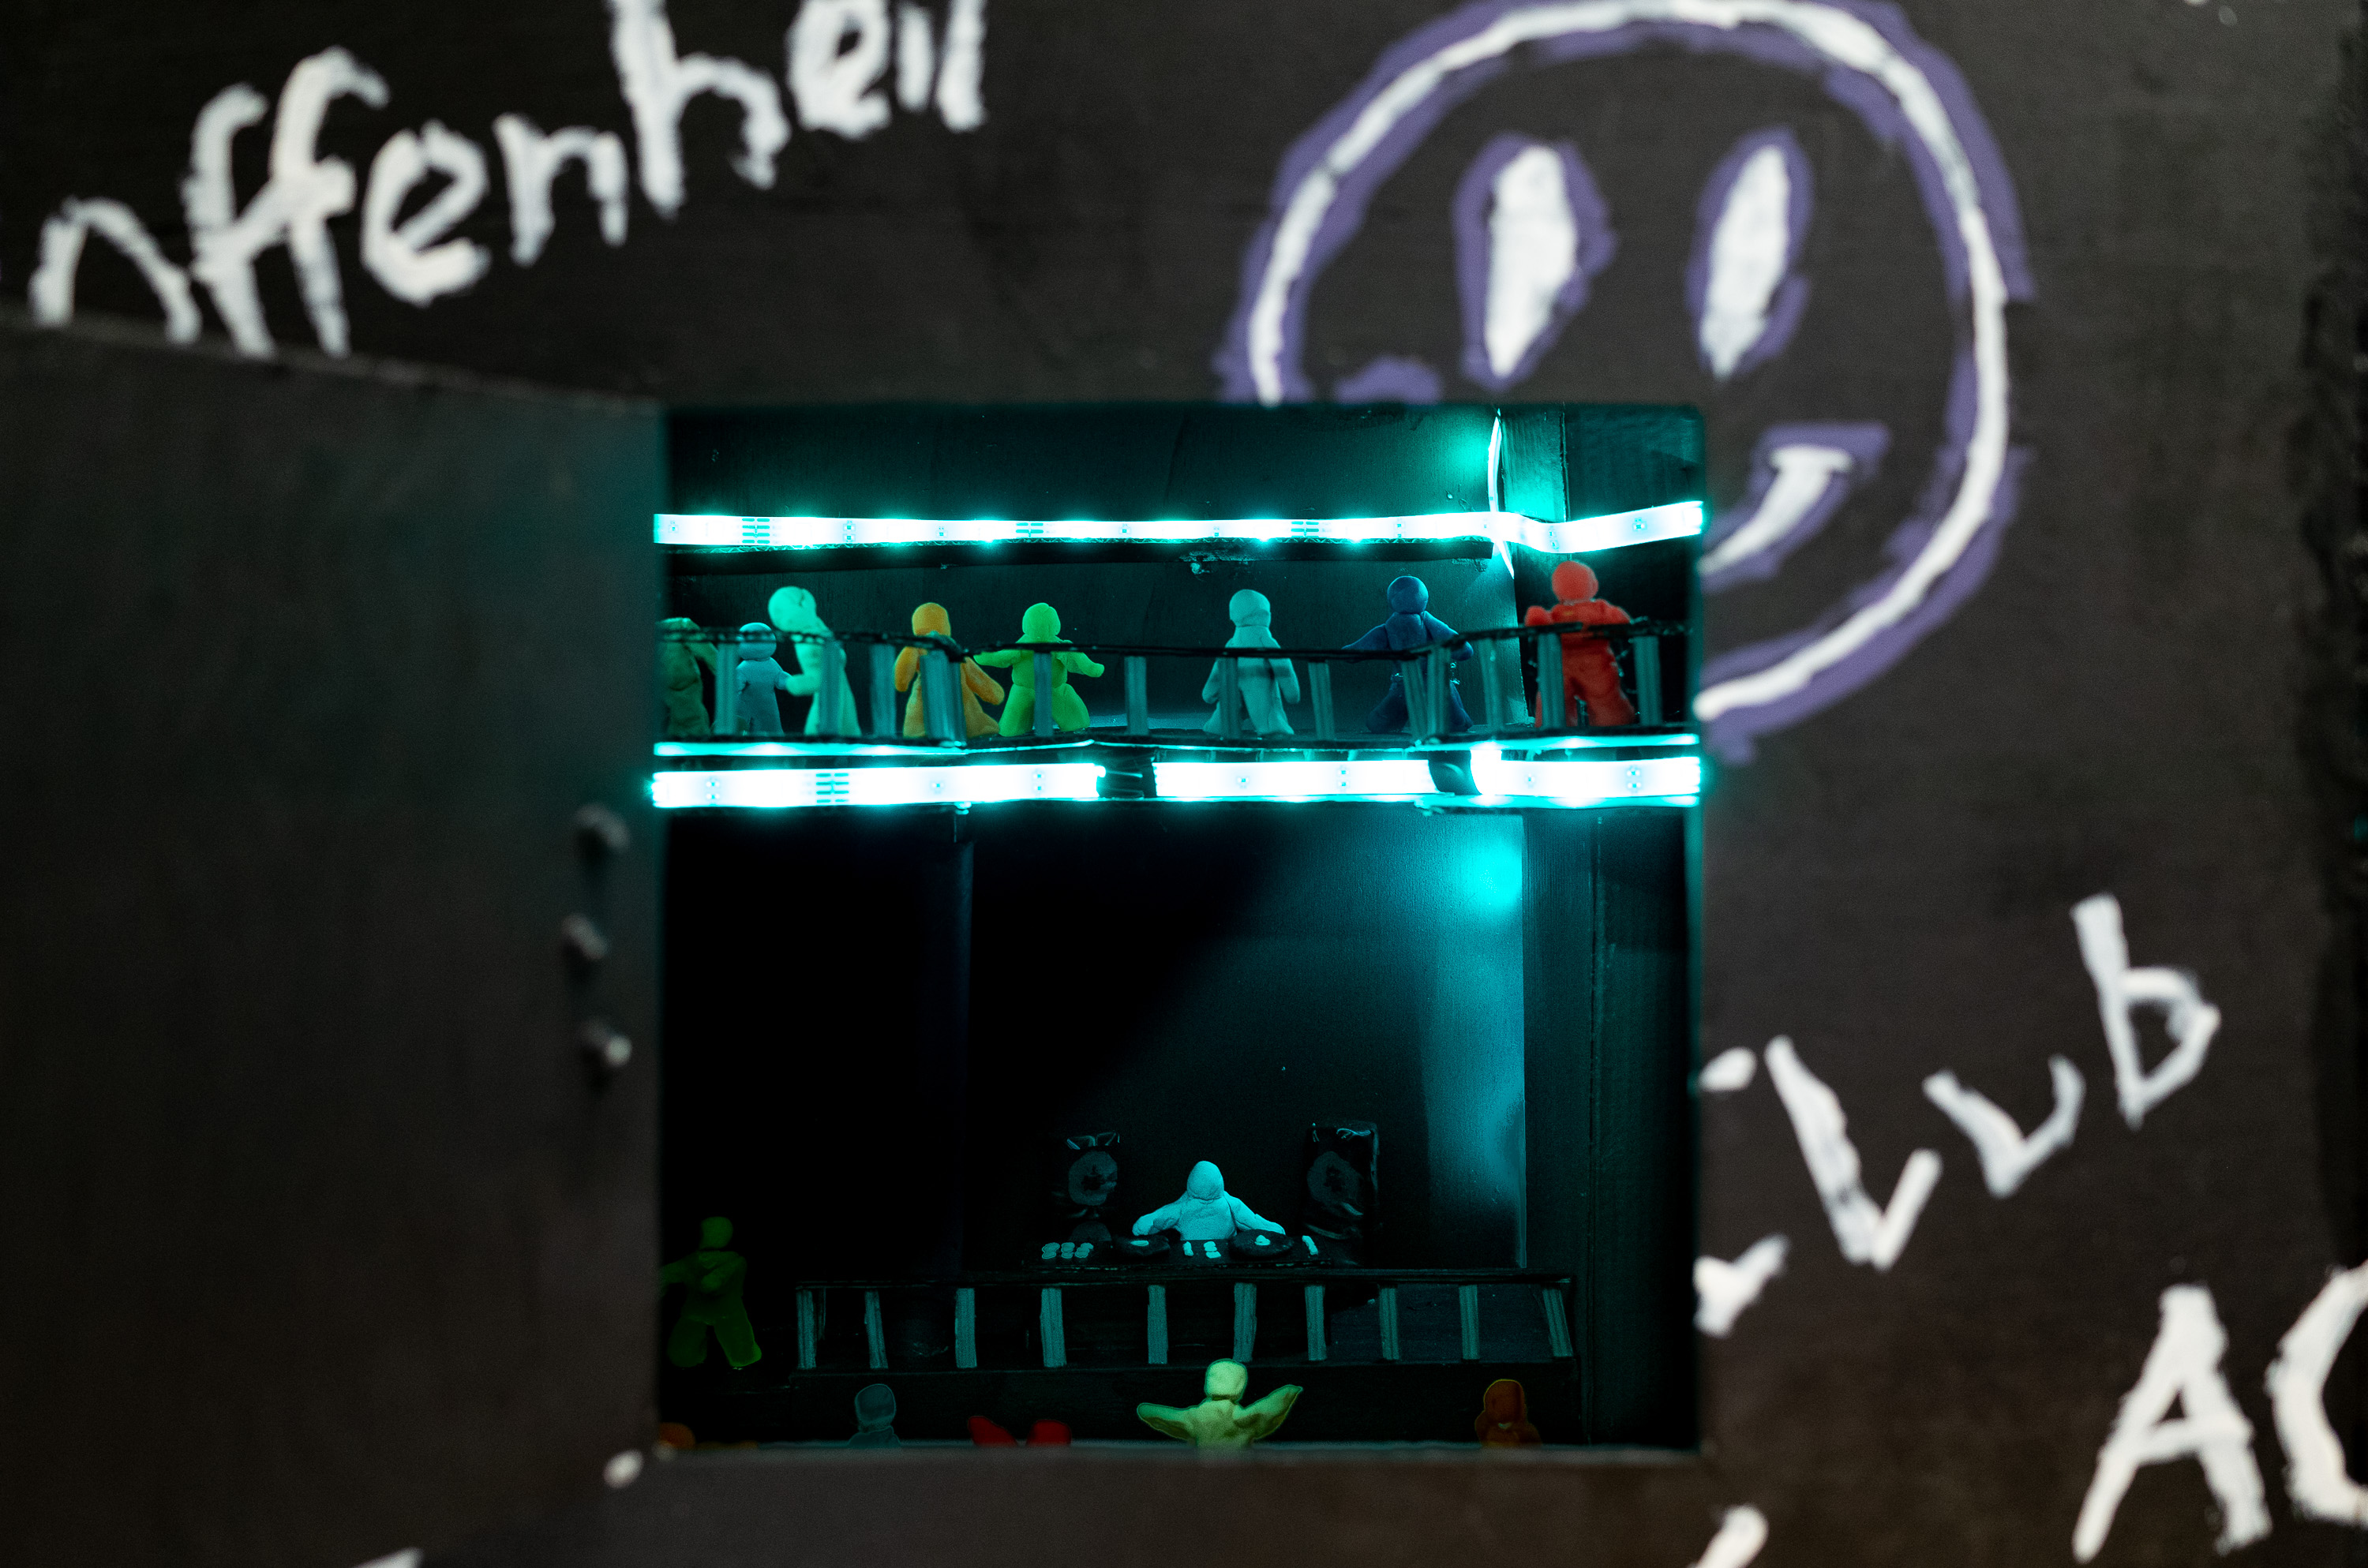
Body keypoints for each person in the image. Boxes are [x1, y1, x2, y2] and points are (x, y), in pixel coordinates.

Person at [1523, 561, 1636, 727]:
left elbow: (1619, 620)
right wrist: (1538, 618)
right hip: (1572, 663)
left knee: (1560, 697)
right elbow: (1620, 620)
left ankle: (1555, 726)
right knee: (1596, 698)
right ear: (1593, 585)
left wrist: (1538, 618)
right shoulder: (1564, 611)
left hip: (1590, 662)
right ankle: (1612, 726)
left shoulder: (1596, 608)